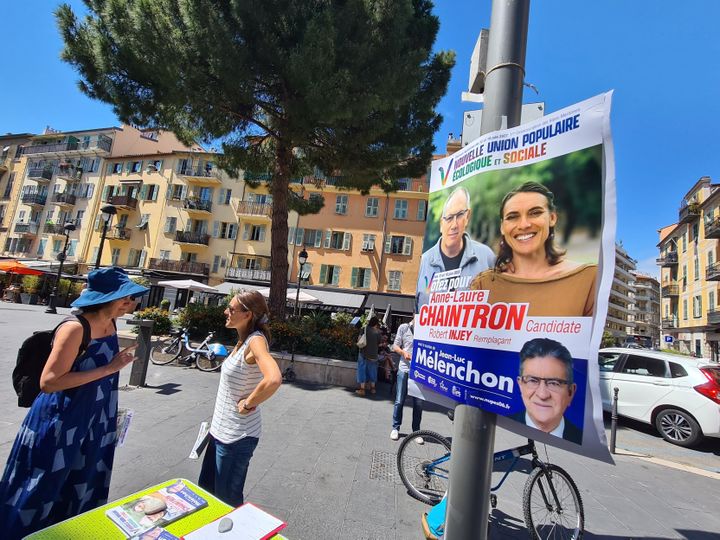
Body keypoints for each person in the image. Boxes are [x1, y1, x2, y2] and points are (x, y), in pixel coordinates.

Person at [0, 267, 148, 539]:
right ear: (108, 299)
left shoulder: (112, 323)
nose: (131, 303)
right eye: (126, 298)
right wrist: (109, 369)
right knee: (40, 487)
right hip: (61, 419)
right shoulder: (75, 328)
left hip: (95, 417)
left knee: (83, 481)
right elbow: (50, 382)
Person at [199, 289, 282, 507]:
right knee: (208, 496)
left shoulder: (255, 341)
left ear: (247, 315)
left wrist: (248, 403)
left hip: (236, 437)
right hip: (219, 433)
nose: (226, 311)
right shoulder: (242, 341)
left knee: (226, 503)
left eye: (232, 308)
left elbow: (273, 378)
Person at [470, 181, 597, 316]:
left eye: (535, 213)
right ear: (502, 227)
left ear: (552, 218)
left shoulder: (589, 279)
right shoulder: (483, 285)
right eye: (512, 217)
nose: (524, 225)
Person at [416, 186, 495, 308]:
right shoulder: (423, 263)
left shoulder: (486, 258)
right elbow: (417, 311)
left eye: (459, 215)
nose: (454, 225)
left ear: (467, 216)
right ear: (441, 224)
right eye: (448, 218)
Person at [510, 338, 582, 444]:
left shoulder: (580, 439)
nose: (542, 395)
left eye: (554, 383)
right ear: (520, 386)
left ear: (570, 392)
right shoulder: (506, 425)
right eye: (533, 381)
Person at [390, 319, 424, 444]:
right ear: (414, 314)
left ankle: (416, 432)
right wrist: (403, 352)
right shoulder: (404, 328)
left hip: (419, 372)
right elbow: (395, 346)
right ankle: (395, 428)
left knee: (418, 404)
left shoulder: (427, 329)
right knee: (399, 400)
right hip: (404, 369)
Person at [355, 316, 382, 396]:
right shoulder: (377, 332)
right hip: (373, 355)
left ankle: (362, 389)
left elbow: (359, 339)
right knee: (373, 371)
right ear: (376, 324)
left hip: (363, 352)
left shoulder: (364, 328)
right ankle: (373, 388)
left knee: (362, 370)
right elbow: (379, 343)